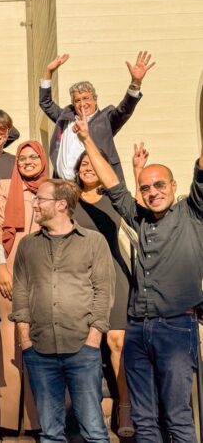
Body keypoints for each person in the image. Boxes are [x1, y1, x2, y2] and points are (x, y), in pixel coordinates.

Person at [75, 114, 203, 443]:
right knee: (144, 419)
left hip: (176, 327)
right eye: (145, 187)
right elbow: (114, 186)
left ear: (174, 187)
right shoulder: (139, 218)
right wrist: (87, 140)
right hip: (137, 328)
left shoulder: (193, 212)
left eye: (160, 185)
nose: (152, 191)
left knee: (177, 415)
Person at [11, 178, 115, 443]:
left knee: (94, 431)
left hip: (82, 348)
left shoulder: (93, 242)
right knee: (51, 433)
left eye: (40, 199)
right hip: (40, 350)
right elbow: (21, 292)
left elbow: (104, 292)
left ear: (60, 205)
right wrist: (25, 340)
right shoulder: (27, 245)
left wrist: (94, 338)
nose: (34, 204)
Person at [0, 140, 49, 434]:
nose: (26, 161)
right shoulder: (4, 186)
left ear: (42, 159)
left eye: (32, 157)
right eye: (22, 157)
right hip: (10, 270)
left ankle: (37, 420)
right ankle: (7, 420)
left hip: (45, 273)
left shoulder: (53, 188)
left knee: (39, 344)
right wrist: (0, 267)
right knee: (7, 344)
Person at [73, 150, 134, 437]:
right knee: (87, 343)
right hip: (82, 279)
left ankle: (125, 405)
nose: (87, 167)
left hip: (114, 274)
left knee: (117, 340)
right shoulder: (70, 202)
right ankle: (90, 410)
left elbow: (139, 213)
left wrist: (136, 170)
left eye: (92, 163)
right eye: (82, 163)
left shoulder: (113, 201)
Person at [39, 50, 155, 180]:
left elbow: (125, 109)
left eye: (86, 98)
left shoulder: (106, 119)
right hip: (62, 187)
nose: (82, 103)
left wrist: (136, 83)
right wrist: (49, 72)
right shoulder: (65, 117)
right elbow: (45, 102)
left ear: (95, 99)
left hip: (94, 188)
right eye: (77, 100)